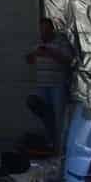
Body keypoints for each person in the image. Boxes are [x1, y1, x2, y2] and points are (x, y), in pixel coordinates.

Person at [25, 17, 78, 149]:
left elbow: (68, 59)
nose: (43, 33)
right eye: (41, 30)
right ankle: (50, 142)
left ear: (51, 29)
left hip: (57, 85)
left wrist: (51, 52)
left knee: (59, 117)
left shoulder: (61, 41)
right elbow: (29, 60)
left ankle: (61, 146)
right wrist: (34, 54)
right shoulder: (37, 42)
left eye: (46, 30)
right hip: (42, 85)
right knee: (43, 112)